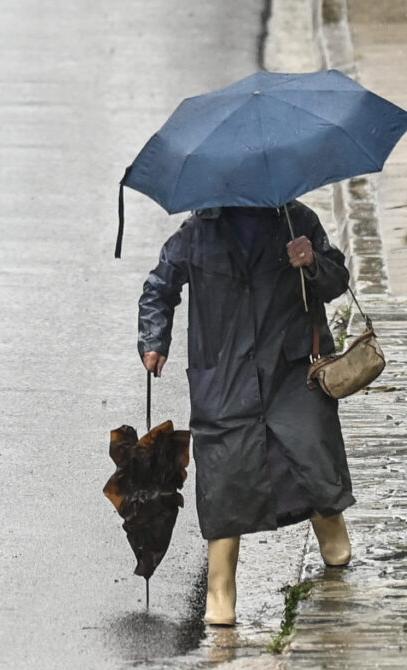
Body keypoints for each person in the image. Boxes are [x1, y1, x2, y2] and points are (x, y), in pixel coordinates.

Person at [138, 201, 354, 626]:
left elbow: (336, 280)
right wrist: (153, 338)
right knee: (223, 476)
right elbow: (159, 288)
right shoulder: (196, 233)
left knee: (309, 451)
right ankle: (220, 591)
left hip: (290, 370)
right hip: (224, 376)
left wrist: (311, 262)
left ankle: (332, 530)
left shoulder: (297, 220)